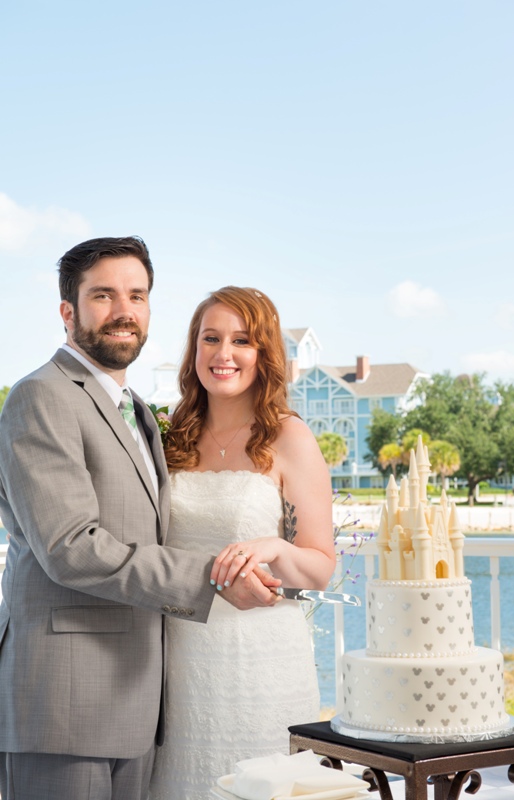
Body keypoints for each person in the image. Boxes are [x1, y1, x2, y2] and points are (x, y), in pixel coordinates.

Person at [0, 239, 280, 800]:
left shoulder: (139, 414)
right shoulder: (41, 397)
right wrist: (212, 576)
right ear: (68, 312)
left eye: (137, 295)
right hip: (64, 703)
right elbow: (69, 547)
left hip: (137, 702)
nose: (124, 310)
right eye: (102, 295)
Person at [149, 286, 335, 800]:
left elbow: (320, 568)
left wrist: (273, 548)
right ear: (194, 350)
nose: (223, 354)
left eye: (242, 340)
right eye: (211, 338)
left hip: (264, 661)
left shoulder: (289, 437)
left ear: (265, 353)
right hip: (179, 659)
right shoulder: (168, 435)